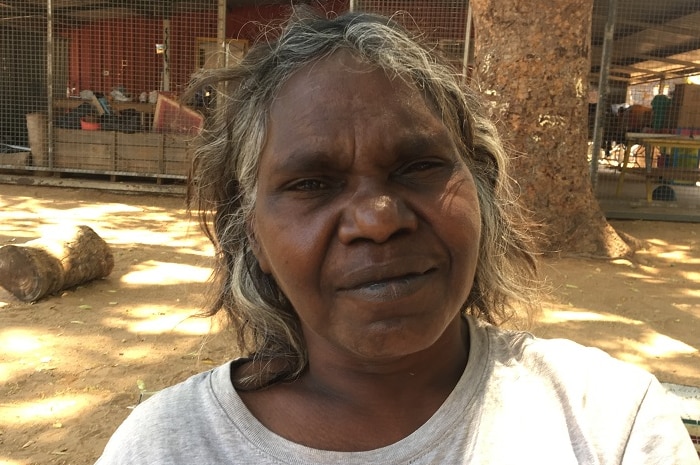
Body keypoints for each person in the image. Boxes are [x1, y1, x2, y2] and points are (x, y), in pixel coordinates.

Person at [95, 9, 699, 464]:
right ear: (248, 229)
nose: (379, 220)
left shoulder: (610, 422)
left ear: (483, 187)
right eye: (311, 183)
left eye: (420, 167)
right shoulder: (167, 448)